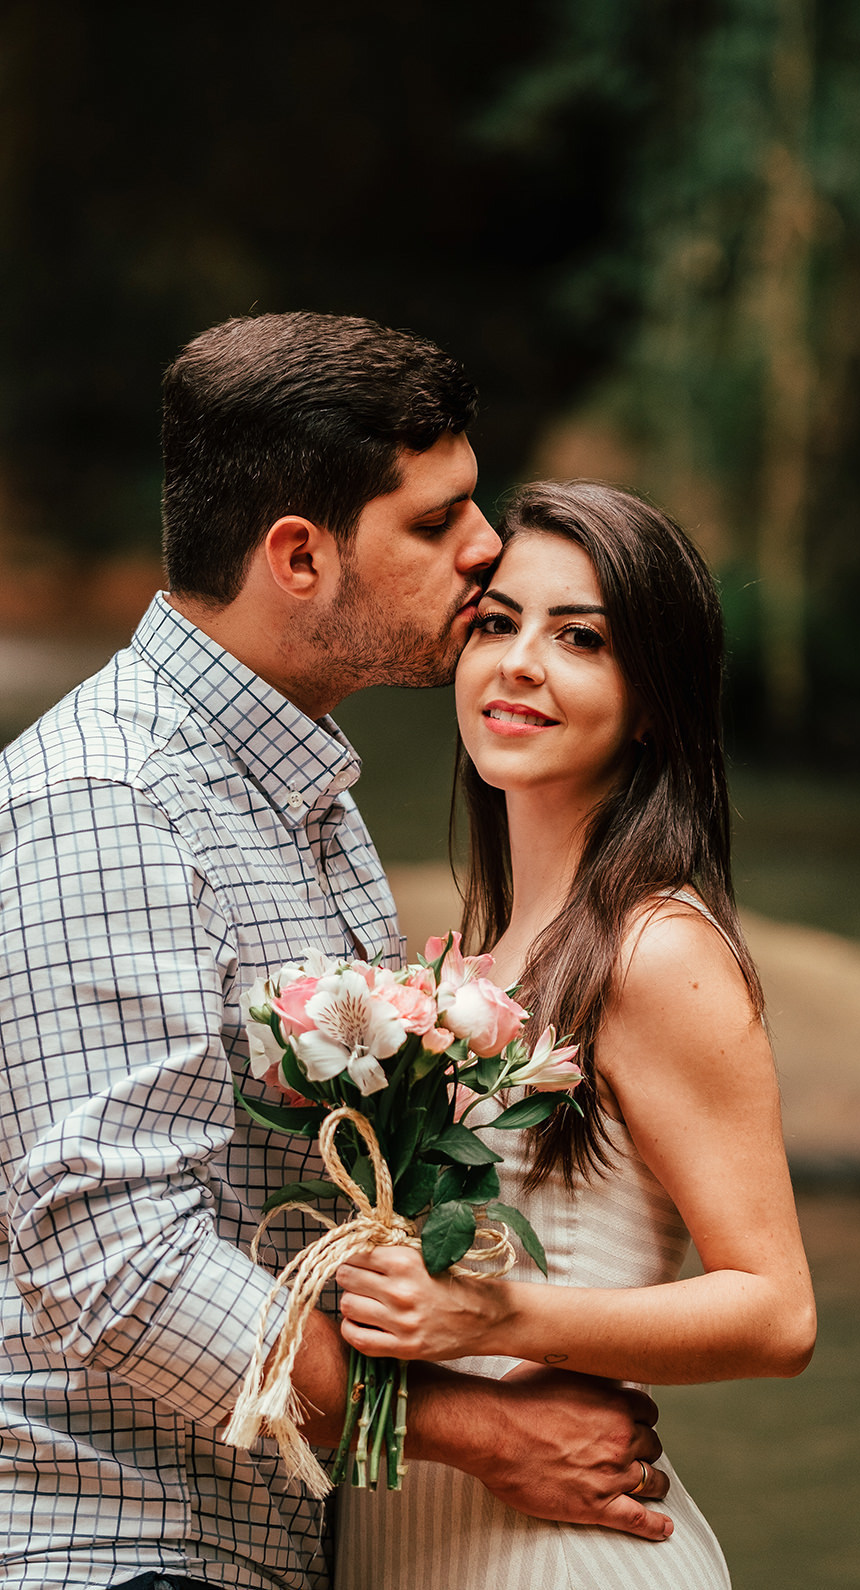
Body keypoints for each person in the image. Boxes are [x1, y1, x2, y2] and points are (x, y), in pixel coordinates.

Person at [0, 317, 673, 1590]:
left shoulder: (294, 791)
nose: (485, 548)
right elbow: (115, 1256)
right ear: (298, 557)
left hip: (257, 1539)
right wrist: (474, 1435)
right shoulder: (112, 800)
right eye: (435, 522)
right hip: (114, 1544)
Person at [336, 480, 818, 1588]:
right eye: (497, 623)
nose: (518, 662)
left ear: (650, 701)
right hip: (411, 1550)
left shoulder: (654, 949)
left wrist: (492, 1313)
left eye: (579, 638)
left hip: (564, 1558)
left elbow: (776, 1311)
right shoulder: (453, 964)